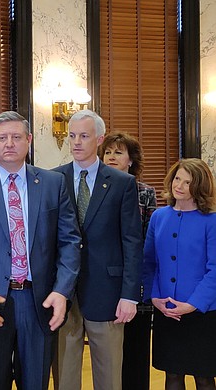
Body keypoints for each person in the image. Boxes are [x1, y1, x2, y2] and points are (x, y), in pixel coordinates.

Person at [0, 111, 81, 389]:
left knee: (35, 382)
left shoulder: (52, 183)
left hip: (39, 301)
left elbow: (69, 241)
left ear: (29, 140)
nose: (9, 143)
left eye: (16, 137)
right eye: (2, 138)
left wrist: (62, 290)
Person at [53, 110, 143, 390]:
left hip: (108, 292)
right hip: (63, 292)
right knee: (65, 373)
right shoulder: (53, 179)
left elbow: (132, 241)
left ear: (99, 139)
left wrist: (130, 294)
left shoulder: (121, 183)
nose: (76, 142)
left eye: (84, 135)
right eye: (72, 136)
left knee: (108, 374)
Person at [143, 158, 216, 390]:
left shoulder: (211, 221)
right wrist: (155, 297)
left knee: (204, 377)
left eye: (188, 182)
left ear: (200, 187)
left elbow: (214, 269)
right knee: (172, 375)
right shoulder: (159, 217)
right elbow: (149, 262)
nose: (179, 186)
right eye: (177, 178)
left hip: (202, 312)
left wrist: (193, 304)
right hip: (167, 309)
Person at [98, 131, 157, 390]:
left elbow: (147, 239)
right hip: (104, 280)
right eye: (108, 152)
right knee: (108, 355)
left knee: (135, 350)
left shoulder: (144, 192)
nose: (111, 156)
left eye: (118, 152)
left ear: (131, 160)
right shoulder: (95, 189)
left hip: (136, 279)